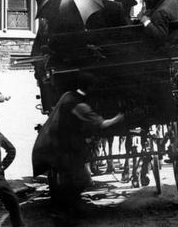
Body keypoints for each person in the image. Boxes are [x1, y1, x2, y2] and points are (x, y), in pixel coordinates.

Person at [31, 73, 124, 208]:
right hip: (61, 146)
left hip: (51, 140)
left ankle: (68, 203)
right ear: (90, 87)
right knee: (83, 178)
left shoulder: (67, 95)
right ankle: (69, 204)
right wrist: (119, 117)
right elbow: (102, 124)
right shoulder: (78, 105)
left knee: (72, 175)